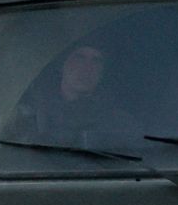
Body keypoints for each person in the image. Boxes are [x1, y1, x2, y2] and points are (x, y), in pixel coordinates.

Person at [12, 42, 140, 143]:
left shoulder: (120, 124)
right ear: (62, 64)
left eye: (96, 61)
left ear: (102, 73)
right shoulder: (27, 114)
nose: (87, 68)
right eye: (79, 57)